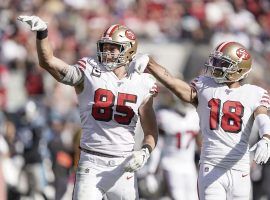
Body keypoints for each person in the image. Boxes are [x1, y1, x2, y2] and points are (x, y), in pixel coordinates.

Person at [17, 15, 158, 200]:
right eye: (105, 47)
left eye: (113, 48)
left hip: (124, 166)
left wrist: (145, 151)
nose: (107, 52)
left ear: (129, 51)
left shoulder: (142, 81)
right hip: (92, 162)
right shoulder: (89, 70)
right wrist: (42, 33)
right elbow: (48, 62)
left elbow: (151, 130)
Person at [134, 41, 270, 200]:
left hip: (240, 169)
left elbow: (262, 116)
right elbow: (172, 82)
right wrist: (150, 63)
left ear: (238, 69)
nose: (215, 65)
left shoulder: (254, 93)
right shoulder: (205, 86)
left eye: (222, 63)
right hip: (211, 167)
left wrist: (266, 137)